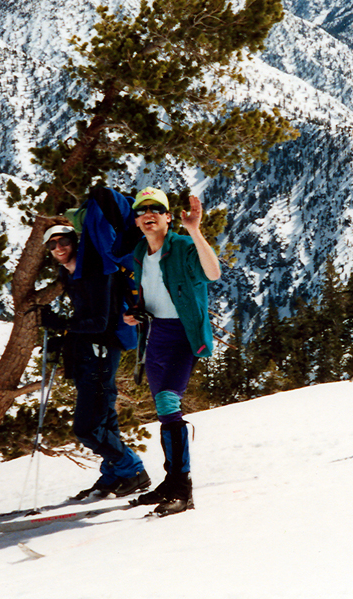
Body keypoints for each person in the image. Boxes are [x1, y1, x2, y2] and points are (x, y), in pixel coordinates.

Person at [123, 187, 222, 516]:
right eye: (142, 210)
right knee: (163, 409)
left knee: (168, 400)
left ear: (168, 217)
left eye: (156, 209)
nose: (148, 214)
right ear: (137, 220)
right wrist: (134, 311)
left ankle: (182, 489)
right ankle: (171, 481)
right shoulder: (140, 252)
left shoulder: (181, 247)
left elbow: (212, 273)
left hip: (183, 334)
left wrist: (195, 231)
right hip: (155, 336)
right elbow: (147, 293)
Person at [39, 223, 150, 499]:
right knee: (104, 420)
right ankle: (114, 473)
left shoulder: (95, 272)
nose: (58, 248)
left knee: (87, 428)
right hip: (89, 354)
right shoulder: (72, 274)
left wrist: (63, 326)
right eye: (51, 245)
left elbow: (101, 322)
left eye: (62, 241)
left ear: (74, 241)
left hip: (101, 352)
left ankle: (133, 469)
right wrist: (65, 337)